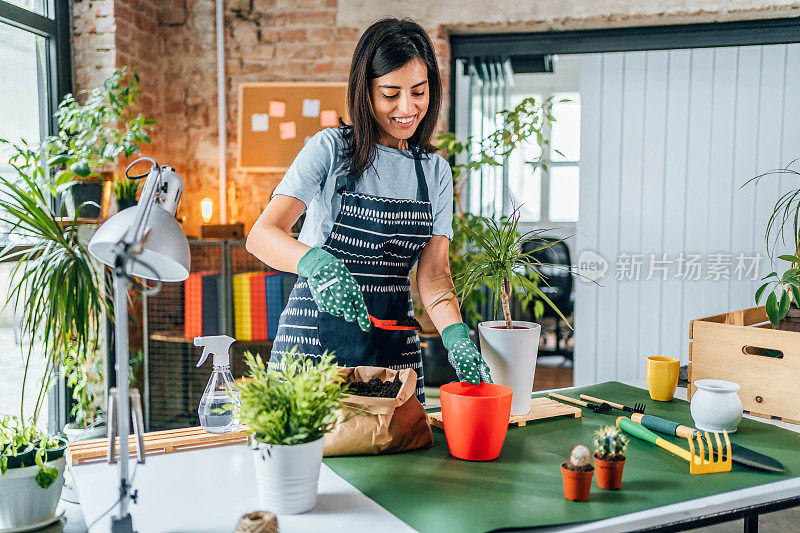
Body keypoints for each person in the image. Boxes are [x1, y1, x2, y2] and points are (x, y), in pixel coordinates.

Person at [245, 17, 492, 404]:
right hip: (314, 340)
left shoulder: (435, 172)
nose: (407, 108)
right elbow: (261, 235)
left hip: (394, 346)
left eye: (418, 92)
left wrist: (456, 334)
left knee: (399, 456)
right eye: (391, 94)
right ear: (366, 91)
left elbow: (434, 274)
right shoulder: (331, 149)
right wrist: (316, 265)